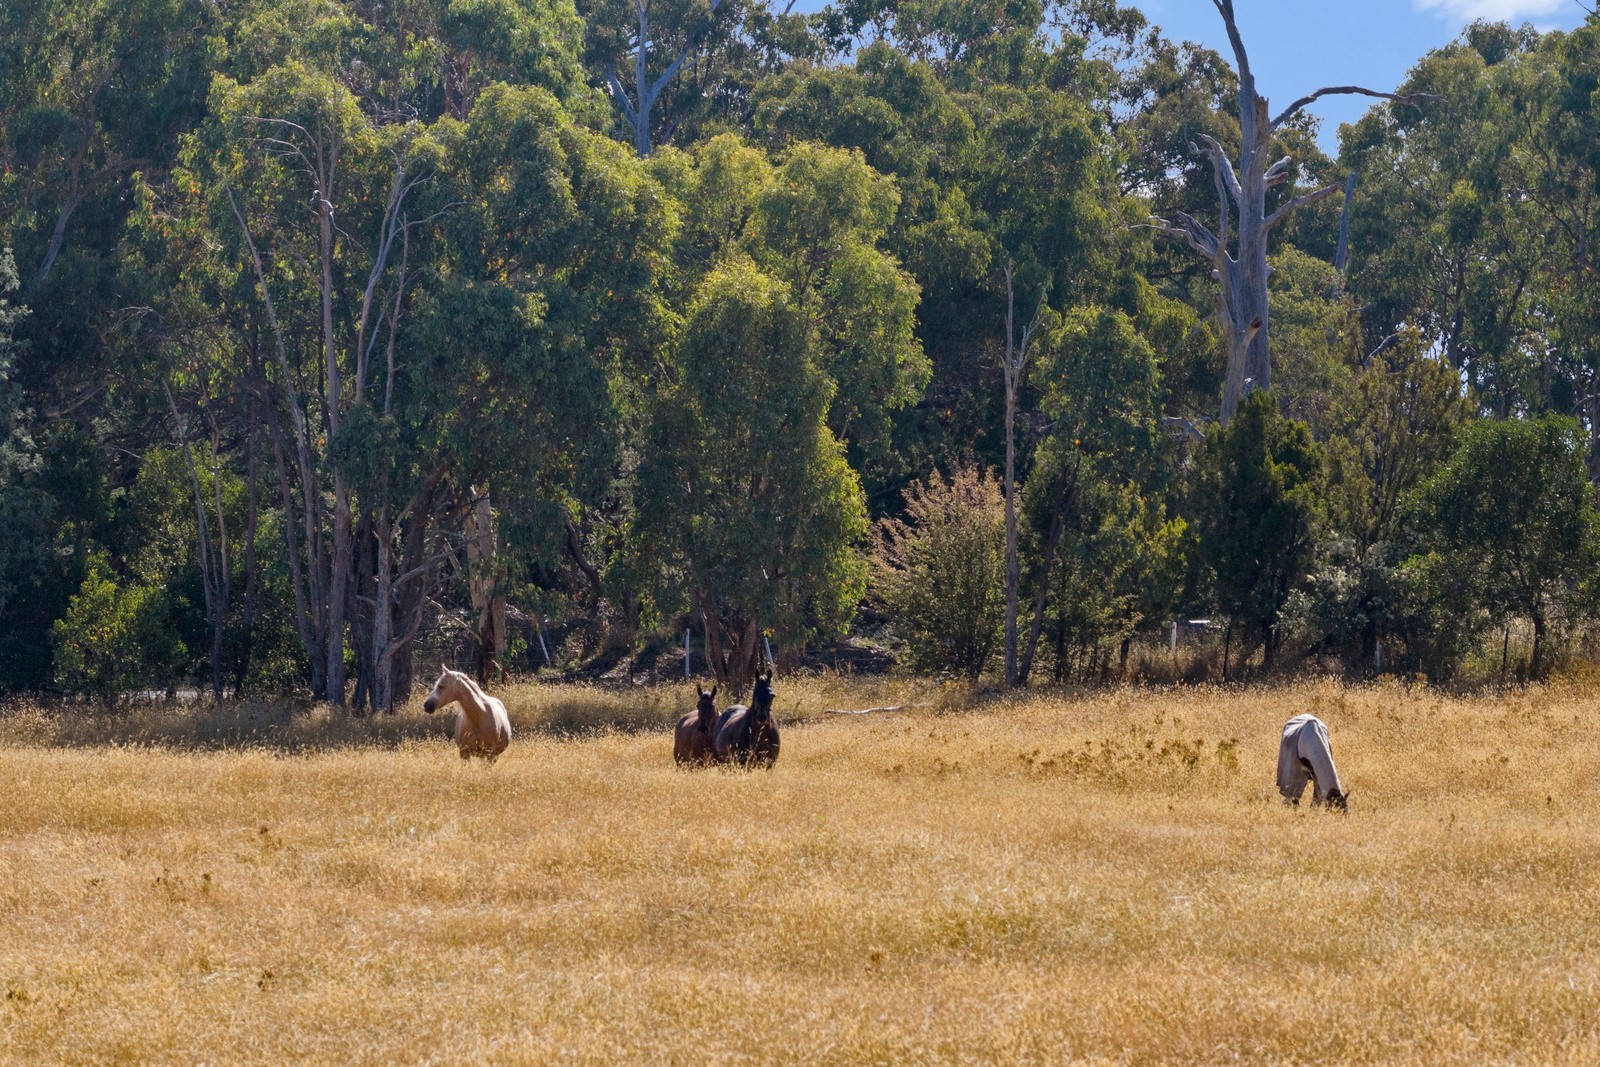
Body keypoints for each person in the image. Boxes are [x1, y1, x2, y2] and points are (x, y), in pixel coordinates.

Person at [1277, 713, 1349, 811]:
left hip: (1315, 739)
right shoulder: (1293, 727)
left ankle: (1315, 811)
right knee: (1291, 794)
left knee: (1324, 765)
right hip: (1297, 747)